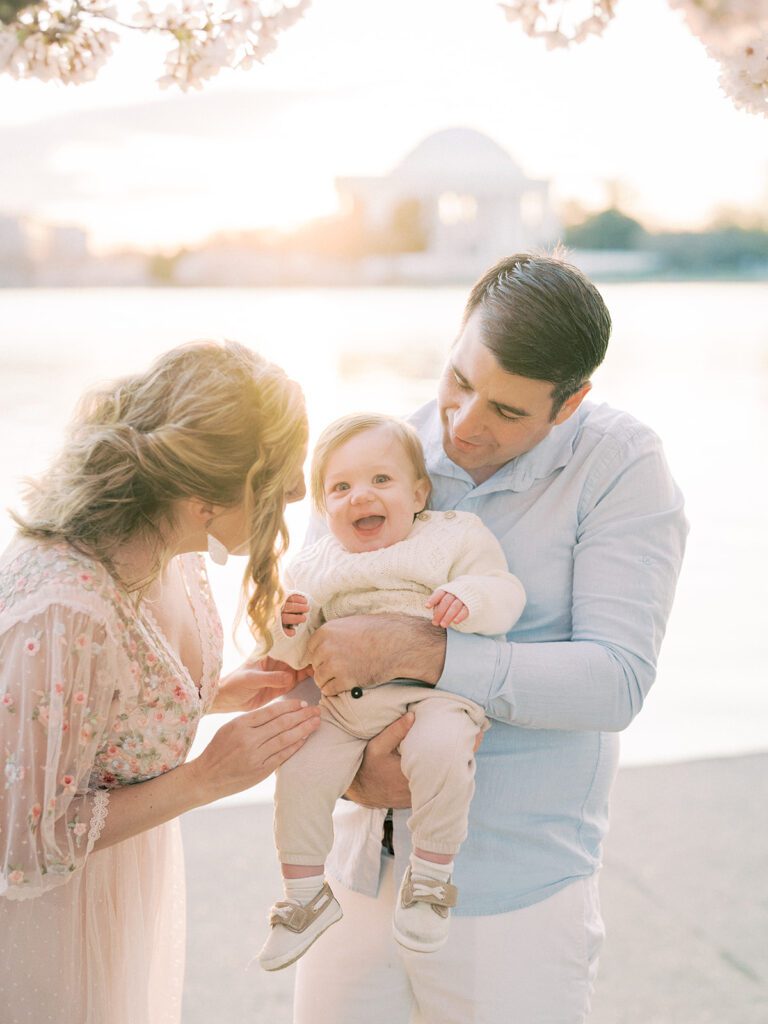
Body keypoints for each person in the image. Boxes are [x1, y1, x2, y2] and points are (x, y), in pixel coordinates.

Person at [292, 252, 688, 1024]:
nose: (466, 425)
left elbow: (616, 681)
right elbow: (310, 632)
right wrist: (350, 776)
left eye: (507, 412)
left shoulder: (623, 467)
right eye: (460, 382)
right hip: (354, 877)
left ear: (570, 403)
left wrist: (427, 652)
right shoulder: (378, 453)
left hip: (512, 899)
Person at [0, 340, 321, 1024]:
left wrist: (206, 696)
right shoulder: (67, 606)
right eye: (275, 496)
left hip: (122, 886)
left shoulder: (171, 545)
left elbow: (97, 709)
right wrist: (206, 777)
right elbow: (24, 845)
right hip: (51, 921)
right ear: (205, 501)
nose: (290, 506)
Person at [257, 413, 526, 970]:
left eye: (381, 480)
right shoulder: (314, 563)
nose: (361, 497)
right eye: (340, 487)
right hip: (347, 707)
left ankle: (429, 880)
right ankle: (304, 895)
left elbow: (506, 591)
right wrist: (288, 624)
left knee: (441, 751)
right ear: (323, 508)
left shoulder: (452, 536)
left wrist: (469, 597)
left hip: (436, 694)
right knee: (301, 765)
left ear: (418, 492)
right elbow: (290, 657)